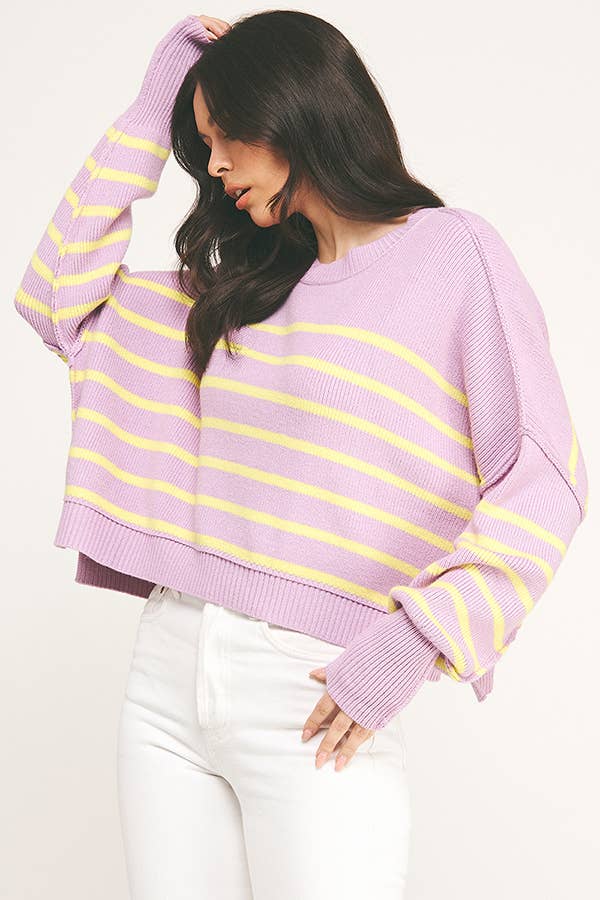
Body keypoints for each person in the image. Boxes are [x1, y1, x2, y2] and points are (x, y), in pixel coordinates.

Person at [13, 11, 589, 900]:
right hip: (167, 676)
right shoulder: (240, 288)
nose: (213, 166)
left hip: (313, 688)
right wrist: (154, 103)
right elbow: (58, 297)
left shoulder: (452, 254)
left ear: (292, 112)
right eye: (203, 143)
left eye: (227, 136)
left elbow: (544, 475)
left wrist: (417, 640)